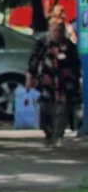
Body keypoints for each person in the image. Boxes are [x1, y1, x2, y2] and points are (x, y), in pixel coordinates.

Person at [27, 16, 81, 147]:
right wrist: (29, 78)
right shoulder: (43, 43)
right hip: (47, 82)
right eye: (54, 30)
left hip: (64, 83)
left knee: (61, 110)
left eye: (59, 31)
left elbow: (76, 64)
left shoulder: (68, 45)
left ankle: (58, 135)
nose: (57, 33)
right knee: (45, 109)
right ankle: (48, 132)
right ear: (50, 30)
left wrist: (75, 80)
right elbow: (34, 61)